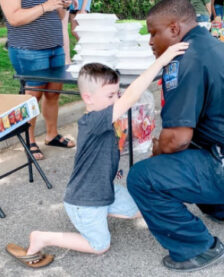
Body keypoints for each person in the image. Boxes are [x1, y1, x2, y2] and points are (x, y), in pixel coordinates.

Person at [127, 0, 224, 272]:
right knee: (188, 151)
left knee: (143, 178)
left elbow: (176, 139)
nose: (150, 41)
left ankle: (198, 248)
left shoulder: (185, 59)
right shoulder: (210, 45)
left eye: (154, 33)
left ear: (174, 29)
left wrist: (157, 153)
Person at [5, 43, 189, 268]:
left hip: (104, 190)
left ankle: (103, 215)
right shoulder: (94, 120)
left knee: (141, 206)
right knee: (100, 245)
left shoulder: (100, 118)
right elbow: (131, 97)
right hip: (85, 202)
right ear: (88, 98)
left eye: (116, 94)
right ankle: (42, 237)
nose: (116, 99)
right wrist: (161, 62)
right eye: (111, 95)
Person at [0, 0, 76, 160]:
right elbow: (14, 18)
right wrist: (45, 6)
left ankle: (51, 135)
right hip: (28, 48)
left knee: (54, 93)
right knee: (33, 95)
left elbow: (60, 15)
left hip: (55, 46)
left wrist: (64, 4)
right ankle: (29, 141)